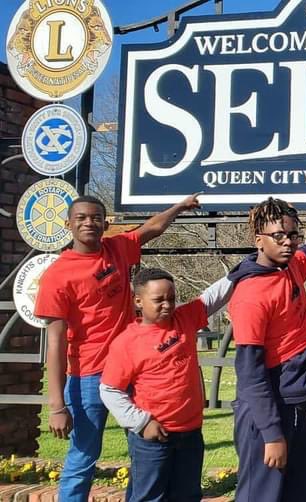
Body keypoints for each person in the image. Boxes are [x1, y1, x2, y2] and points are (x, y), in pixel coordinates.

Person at [34, 193, 200, 502]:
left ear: (105, 223)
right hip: (88, 378)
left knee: (143, 455)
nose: (89, 222)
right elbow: (55, 342)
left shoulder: (117, 249)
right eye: (81, 217)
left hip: (133, 375)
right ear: (68, 224)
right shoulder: (57, 275)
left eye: (96, 217)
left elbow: (152, 229)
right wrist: (57, 406)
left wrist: (178, 207)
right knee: (83, 459)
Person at [227, 198, 306, 502]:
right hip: (270, 411)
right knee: (263, 496)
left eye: (294, 235)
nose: (288, 243)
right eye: (279, 236)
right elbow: (249, 373)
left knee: (305, 492)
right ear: (259, 240)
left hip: (303, 404)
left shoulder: (291, 265)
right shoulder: (251, 295)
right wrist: (271, 434)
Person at [99, 268, 234, 502]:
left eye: (171, 298)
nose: (167, 305)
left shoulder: (184, 319)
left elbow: (213, 296)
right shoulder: (127, 343)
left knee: (187, 496)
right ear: (138, 301)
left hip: (190, 434)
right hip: (153, 439)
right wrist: (141, 423)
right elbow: (110, 390)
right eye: (158, 300)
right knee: (149, 497)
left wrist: (244, 269)